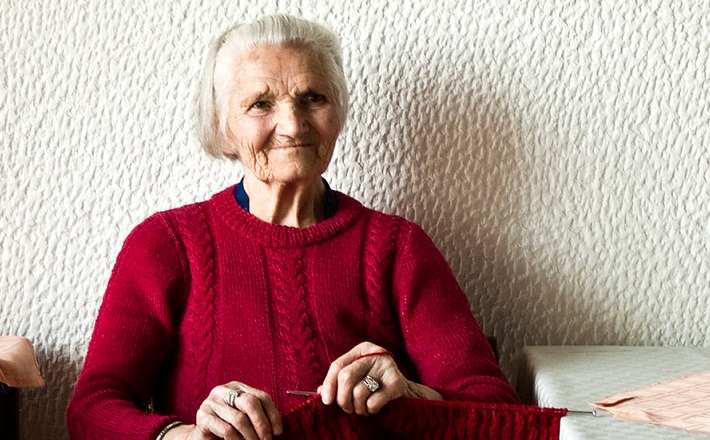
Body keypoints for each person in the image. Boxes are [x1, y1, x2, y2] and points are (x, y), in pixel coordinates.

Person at [67, 14, 519, 440]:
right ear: (222, 128)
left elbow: (497, 411)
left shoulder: (399, 248)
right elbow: (92, 410)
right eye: (261, 103)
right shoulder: (166, 245)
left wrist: (411, 394)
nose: (292, 124)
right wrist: (185, 435)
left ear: (338, 113)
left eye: (313, 98)